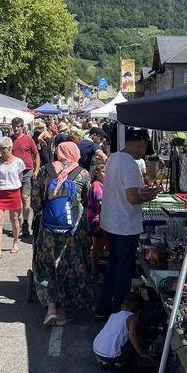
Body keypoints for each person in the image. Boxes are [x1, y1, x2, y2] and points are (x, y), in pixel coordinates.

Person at [95, 128, 159, 320]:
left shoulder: (113, 157)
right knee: (122, 271)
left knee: (114, 267)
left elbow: (125, 191)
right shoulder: (130, 163)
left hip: (111, 222)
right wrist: (150, 195)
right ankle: (117, 314)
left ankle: (103, 308)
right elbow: (132, 197)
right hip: (124, 225)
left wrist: (143, 191)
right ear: (142, 143)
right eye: (145, 146)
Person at [31, 142, 92, 326]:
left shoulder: (45, 170)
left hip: (48, 229)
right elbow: (87, 200)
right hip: (73, 230)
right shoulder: (82, 173)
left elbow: (35, 200)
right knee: (69, 266)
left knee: (47, 264)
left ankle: (50, 309)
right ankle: (64, 312)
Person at [93, 292, 154, 368]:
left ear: (122, 306)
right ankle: (119, 362)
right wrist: (141, 352)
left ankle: (107, 362)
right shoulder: (134, 317)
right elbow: (132, 335)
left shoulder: (114, 315)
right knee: (138, 339)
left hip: (97, 349)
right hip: (111, 356)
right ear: (139, 311)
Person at [0, 137, 26, 260]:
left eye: (4, 148)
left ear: (10, 148)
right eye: (0, 148)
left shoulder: (18, 162)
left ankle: (16, 241)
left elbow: (20, 177)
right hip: (0, 193)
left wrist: (13, 186)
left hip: (13, 192)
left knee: (15, 219)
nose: (2, 151)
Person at [10, 117, 39, 235]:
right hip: (13, 172)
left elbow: (36, 154)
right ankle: (18, 223)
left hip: (27, 172)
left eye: (18, 126)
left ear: (22, 127)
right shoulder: (9, 140)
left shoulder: (28, 139)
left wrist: (36, 170)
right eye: (14, 126)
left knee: (25, 197)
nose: (16, 129)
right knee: (15, 199)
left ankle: (26, 223)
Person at [87, 162, 107, 281]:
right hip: (96, 220)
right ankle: (95, 271)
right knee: (96, 246)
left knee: (98, 245)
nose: (105, 174)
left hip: (99, 219)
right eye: (103, 171)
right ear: (97, 172)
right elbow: (101, 203)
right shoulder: (97, 186)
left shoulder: (101, 184)